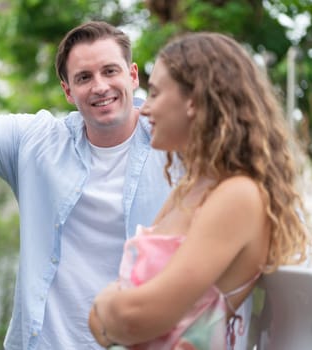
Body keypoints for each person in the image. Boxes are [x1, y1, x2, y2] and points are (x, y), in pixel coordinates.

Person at [0, 21, 172, 349]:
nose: (99, 86)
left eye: (110, 71)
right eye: (84, 77)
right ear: (68, 90)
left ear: (132, 75)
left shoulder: (175, 142)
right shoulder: (36, 142)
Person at [89, 32, 310, 349]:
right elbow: (109, 323)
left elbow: (136, 315)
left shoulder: (239, 195)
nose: (146, 109)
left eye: (154, 93)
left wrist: (106, 305)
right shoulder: (189, 190)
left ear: (193, 99)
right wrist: (116, 315)